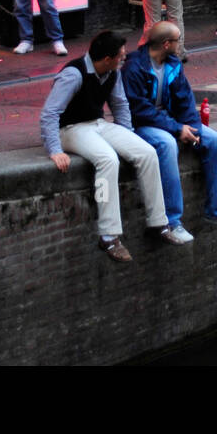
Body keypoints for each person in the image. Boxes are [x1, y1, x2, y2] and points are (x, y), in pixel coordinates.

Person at [42, 31, 181, 263]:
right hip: (70, 129)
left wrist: (128, 138)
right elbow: (50, 113)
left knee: (146, 152)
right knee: (107, 159)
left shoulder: (112, 72)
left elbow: (120, 105)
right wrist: (55, 149)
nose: (124, 59)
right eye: (121, 56)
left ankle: (159, 222)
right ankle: (108, 235)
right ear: (107, 59)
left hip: (98, 124)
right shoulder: (73, 74)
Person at [122, 22, 217, 243]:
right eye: (178, 40)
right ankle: (172, 220)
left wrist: (193, 129)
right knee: (167, 145)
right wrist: (177, 129)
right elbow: (140, 109)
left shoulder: (173, 64)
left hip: (172, 121)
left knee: (214, 139)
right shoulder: (134, 67)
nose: (181, 44)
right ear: (166, 43)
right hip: (143, 124)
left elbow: (186, 100)